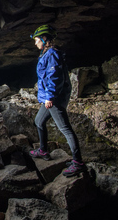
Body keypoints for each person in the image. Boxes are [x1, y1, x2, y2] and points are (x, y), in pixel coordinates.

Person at [28, 24, 86, 177]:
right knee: (39, 121)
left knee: (65, 129)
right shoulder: (47, 53)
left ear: (44, 38)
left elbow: (55, 78)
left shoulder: (52, 53)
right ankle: (43, 150)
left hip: (54, 99)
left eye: (36, 40)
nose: (35, 43)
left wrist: (50, 97)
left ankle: (78, 162)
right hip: (49, 98)